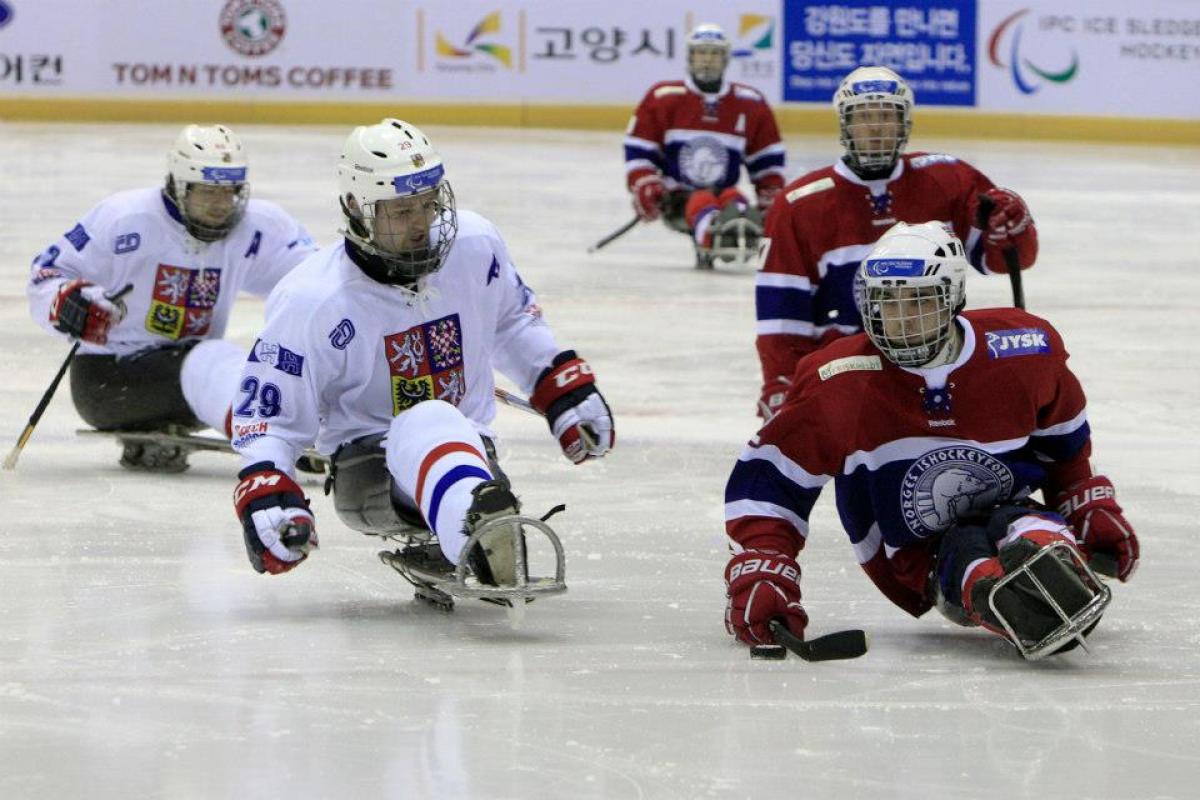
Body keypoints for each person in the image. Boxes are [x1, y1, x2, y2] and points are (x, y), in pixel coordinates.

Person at [230, 119, 614, 608]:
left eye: (430, 203)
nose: (421, 222)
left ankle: (477, 514)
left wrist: (560, 386)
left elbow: (513, 321)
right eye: (402, 209)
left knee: (444, 425)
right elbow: (270, 416)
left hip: (473, 453)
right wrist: (267, 487)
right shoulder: (311, 299)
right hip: (368, 474)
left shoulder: (475, 246)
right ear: (355, 207)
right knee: (430, 417)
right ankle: (477, 526)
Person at [724, 222, 1138, 660]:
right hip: (919, 550)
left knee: (1032, 537)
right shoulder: (838, 380)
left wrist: (1086, 503)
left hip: (1015, 508)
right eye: (887, 301)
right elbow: (771, 484)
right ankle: (983, 587)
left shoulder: (1023, 349)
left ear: (954, 297)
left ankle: (1048, 549)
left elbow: (1064, 448)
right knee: (968, 557)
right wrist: (763, 567)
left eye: (919, 300)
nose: (900, 320)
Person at [25, 124, 317, 471]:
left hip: (190, 385)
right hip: (107, 382)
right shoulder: (124, 218)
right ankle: (271, 438)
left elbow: (314, 283)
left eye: (230, 191)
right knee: (214, 356)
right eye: (208, 192)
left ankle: (295, 426)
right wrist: (68, 302)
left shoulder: (256, 227)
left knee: (281, 354)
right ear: (180, 184)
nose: (221, 205)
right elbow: (45, 273)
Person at [755, 65, 1039, 419]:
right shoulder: (798, 205)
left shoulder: (948, 179)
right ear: (844, 124)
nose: (875, 127)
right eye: (863, 116)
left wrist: (1015, 226)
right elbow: (781, 314)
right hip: (846, 372)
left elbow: (1005, 258)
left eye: (887, 116)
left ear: (905, 123)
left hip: (937, 364)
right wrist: (781, 381)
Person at [623, 23, 785, 268]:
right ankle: (710, 234)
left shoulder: (750, 103)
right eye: (700, 53)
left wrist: (770, 195)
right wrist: (645, 183)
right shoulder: (663, 97)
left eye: (715, 54)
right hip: (676, 197)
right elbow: (639, 149)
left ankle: (738, 226)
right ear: (689, 57)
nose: (707, 60)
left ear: (726, 59)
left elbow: (767, 159)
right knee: (702, 202)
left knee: (735, 201)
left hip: (724, 192)